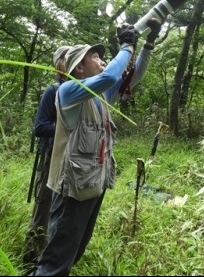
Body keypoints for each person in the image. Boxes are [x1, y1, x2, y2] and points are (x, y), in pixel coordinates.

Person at [29, 19, 162, 276]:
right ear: (79, 69)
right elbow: (111, 74)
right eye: (95, 56)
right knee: (56, 262)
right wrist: (125, 45)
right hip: (73, 191)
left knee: (72, 253)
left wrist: (147, 43)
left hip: (93, 186)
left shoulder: (102, 97)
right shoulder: (68, 91)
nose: (102, 59)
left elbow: (133, 77)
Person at [23, 45, 70, 267]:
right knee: (43, 208)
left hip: (72, 159)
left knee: (62, 212)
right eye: (68, 59)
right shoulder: (53, 90)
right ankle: (30, 258)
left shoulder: (81, 90)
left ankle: (52, 258)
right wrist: (67, 127)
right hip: (52, 156)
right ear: (60, 66)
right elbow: (40, 127)